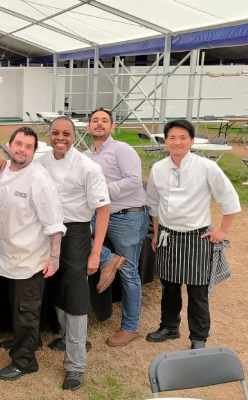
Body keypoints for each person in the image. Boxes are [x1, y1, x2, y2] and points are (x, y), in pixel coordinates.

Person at [145, 120, 240, 350]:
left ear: (191, 140)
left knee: (197, 291)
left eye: (182, 138)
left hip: (197, 237)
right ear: (165, 141)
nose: (177, 142)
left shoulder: (206, 167)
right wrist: (156, 233)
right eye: (172, 138)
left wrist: (222, 231)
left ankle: (198, 337)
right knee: (169, 286)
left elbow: (229, 199)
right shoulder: (158, 168)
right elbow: (154, 205)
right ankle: (169, 326)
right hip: (168, 236)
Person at [37, 117, 111, 390]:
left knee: (76, 297)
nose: (60, 138)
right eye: (55, 133)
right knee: (56, 286)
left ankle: (76, 365)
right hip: (46, 231)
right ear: (49, 134)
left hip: (76, 233)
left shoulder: (88, 167)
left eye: (66, 133)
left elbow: (103, 210)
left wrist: (95, 252)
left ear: (74, 135)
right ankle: (67, 337)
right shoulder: (41, 161)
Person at [0, 127, 66, 381]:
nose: (22, 149)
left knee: (26, 310)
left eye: (28, 146)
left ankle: (25, 361)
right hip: (10, 255)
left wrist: (54, 258)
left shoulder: (39, 179)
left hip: (30, 258)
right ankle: (27, 341)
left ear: (34, 152)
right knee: (20, 308)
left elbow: (54, 224)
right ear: (10, 145)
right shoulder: (4, 170)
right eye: (18, 144)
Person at [84, 108, 149, 347]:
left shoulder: (123, 149)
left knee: (129, 272)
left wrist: (101, 192)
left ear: (112, 127)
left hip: (127, 216)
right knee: (72, 234)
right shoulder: (84, 156)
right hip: (98, 215)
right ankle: (107, 258)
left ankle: (130, 327)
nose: (99, 124)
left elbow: (134, 181)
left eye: (105, 121)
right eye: (95, 120)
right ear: (88, 127)